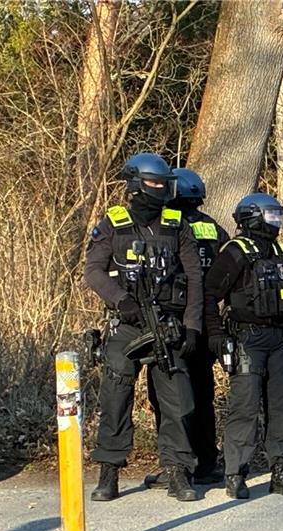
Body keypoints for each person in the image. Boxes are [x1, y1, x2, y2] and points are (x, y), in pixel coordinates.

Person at [84, 152, 203, 502]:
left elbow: (194, 277)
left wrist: (192, 326)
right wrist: (122, 301)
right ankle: (109, 471)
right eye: (154, 183)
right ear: (136, 184)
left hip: (168, 325)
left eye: (164, 184)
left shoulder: (176, 223)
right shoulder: (113, 222)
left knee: (178, 400)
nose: (161, 189)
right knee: (115, 396)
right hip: (127, 325)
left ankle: (178, 472)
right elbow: (93, 271)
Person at [203, 193, 283, 499]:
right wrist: (216, 335)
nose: (277, 222)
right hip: (247, 338)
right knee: (244, 407)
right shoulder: (235, 251)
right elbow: (210, 295)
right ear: (253, 217)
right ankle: (235, 473)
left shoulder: (278, 249)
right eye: (271, 216)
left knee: (280, 406)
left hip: (279, 338)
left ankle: (281, 470)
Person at [144, 168, 230, 489]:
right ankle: (208, 461)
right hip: (209, 322)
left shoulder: (169, 225)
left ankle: (179, 464)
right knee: (203, 393)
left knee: (168, 396)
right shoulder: (213, 227)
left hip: (178, 321)